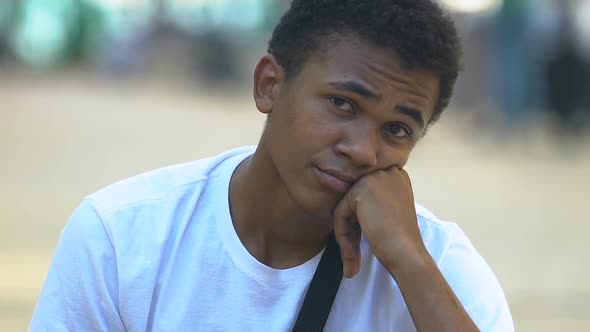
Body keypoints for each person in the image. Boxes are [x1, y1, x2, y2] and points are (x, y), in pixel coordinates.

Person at [31, 0, 513, 331]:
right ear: (269, 85)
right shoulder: (123, 238)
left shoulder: (439, 264)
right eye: (342, 104)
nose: (364, 150)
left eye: (398, 130)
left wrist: (410, 263)